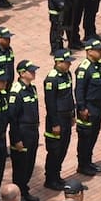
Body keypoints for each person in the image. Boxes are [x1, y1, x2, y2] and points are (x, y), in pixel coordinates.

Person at [7, 60, 41, 201]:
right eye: (30, 71)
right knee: (20, 166)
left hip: (33, 131)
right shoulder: (16, 91)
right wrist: (16, 139)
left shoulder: (31, 89)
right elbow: (12, 119)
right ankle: (18, 195)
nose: (33, 73)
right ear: (21, 73)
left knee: (29, 164)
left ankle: (25, 191)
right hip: (22, 132)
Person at [42, 50, 75, 191]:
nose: (69, 64)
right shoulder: (51, 79)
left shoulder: (67, 74)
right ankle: (50, 179)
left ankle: (57, 175)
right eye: (66, 62)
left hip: (67, 117)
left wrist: (73, 114)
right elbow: (50, 104)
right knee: (55, 150)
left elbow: (69, 96)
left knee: (63, 148)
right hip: (57, 120)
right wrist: (55, 123)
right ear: (58, 62)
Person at [74, 39, 101, 176]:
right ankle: (82, 165)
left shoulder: (100, 66)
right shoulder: (84, 69)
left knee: (94, 134)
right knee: (85, 137)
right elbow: (79, 91)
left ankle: (88, 161)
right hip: (88, 108)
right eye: (98, 50)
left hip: (98, 106)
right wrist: (82, 108)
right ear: (89, 51)